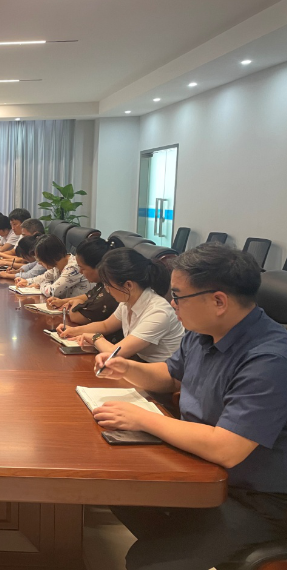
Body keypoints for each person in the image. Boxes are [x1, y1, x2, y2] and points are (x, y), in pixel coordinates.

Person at [93, 243, 287, 570]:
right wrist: (127, 368)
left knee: (149, 562)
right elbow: (170, 376)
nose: (173, 303)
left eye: (179, 296)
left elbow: (227, 448)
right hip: (200, 470)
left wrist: (142, 419)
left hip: (258, 500)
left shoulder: (269, 360)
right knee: (118, 491)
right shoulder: (203, 332)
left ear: (218, 301)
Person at [58, 247, 184, 362]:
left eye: (108, 285)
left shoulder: (158, 312)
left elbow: (115, 353)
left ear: (128, 285)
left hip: (163, 372)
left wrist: (96, 338)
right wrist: (73, 331)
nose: (107, 290)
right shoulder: (128, 300)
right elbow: (105, 325)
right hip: (139, 362)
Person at [45, 238, 118, 325]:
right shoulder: (103, 283)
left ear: (99, 267)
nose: (80, 272)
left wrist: (76, 302)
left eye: (82, 268)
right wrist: (63, 301)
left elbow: (78, 317)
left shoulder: (109, 292)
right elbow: (88, 296)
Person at [28, 235, 93, 298]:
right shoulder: (57, 264)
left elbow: (52, 292)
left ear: (49, 256)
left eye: (40, 259)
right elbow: (45, 277)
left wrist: (41, 285)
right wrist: (28, 282)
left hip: (81, 304)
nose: (39, 263)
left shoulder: (73, 267)